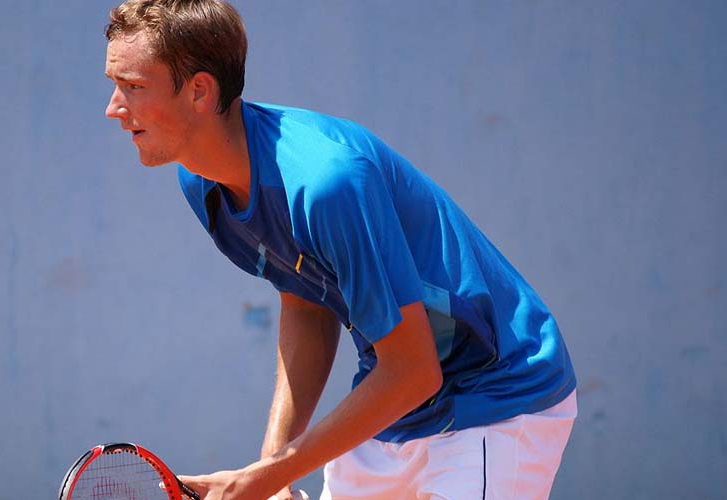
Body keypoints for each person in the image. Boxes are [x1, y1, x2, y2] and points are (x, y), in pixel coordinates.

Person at [102, 1, 577, 498]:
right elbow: (307, 303)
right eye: (114, 83)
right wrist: (273, 470)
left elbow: (415, 371)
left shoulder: (327, 183)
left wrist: (262, 478)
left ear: (200, 90)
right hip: (395, 407)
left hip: (495, 396)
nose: (114, 107)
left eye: (133, 86)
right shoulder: (203, 181)